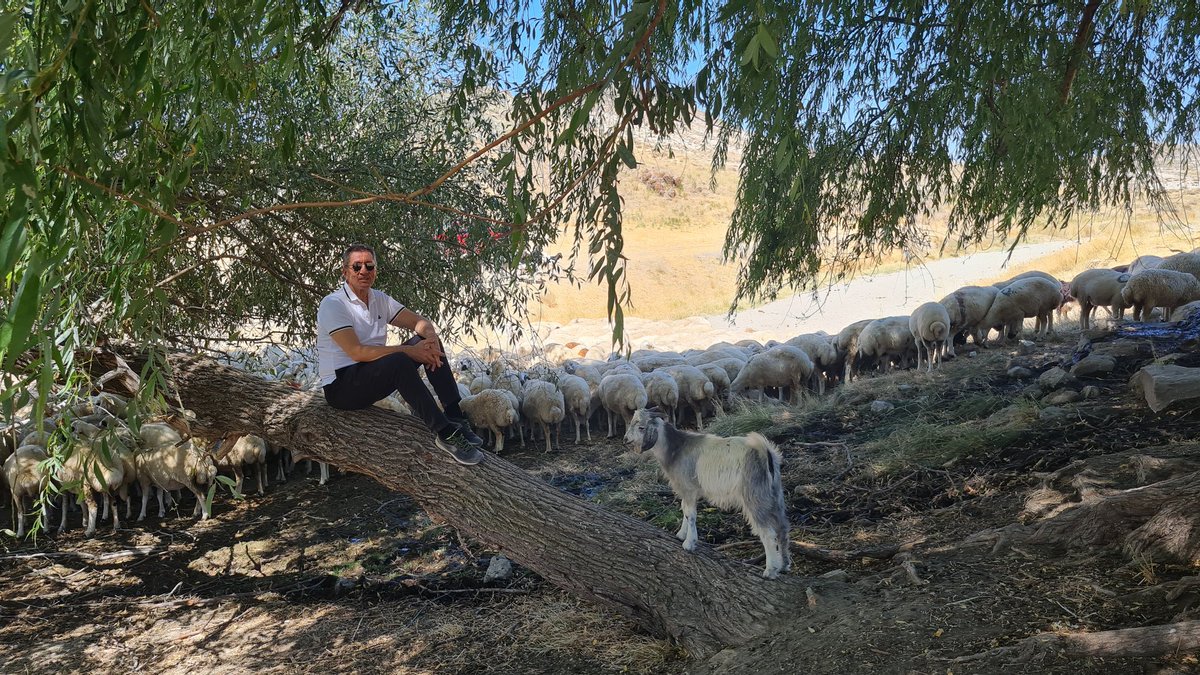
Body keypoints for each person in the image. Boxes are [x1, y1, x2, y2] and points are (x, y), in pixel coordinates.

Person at [317, 243, 485, 465]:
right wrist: (408, 351)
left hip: (370, 376)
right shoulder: (333, 304)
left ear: (376, 270)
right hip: (342, 387)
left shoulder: (379, 299)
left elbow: (419, 322)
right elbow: (357, 352)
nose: (363, 272)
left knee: (426, 341)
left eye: (369, 266)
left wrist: (431, 341)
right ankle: (445, 434)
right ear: (345, 271)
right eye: (357, 266)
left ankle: (455, 414)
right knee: (399, 360)